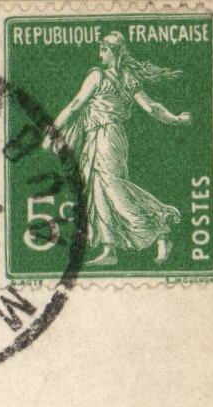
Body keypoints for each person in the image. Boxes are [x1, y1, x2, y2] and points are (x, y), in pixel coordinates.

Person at [44, 31, 191, 268]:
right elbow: (152, 107)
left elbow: (74, 106)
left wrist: (52, 131)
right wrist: (175, 119)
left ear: (114, 52)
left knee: (114, 188)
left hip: (107, 136)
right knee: (97, 189)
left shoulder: (98, 76)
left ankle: (161, 225)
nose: (100, 54)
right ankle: (109, 249)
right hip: (101, 137)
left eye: (103, 49)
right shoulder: (128, 78)